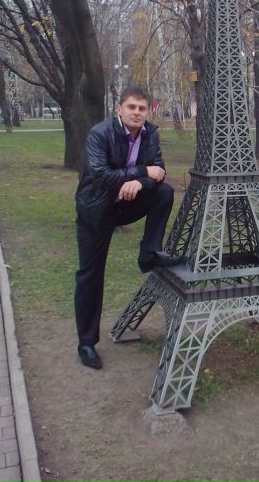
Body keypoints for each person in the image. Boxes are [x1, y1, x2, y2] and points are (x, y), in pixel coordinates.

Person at [74, 85, 182, 369]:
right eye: (131, 107)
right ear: (119, 109)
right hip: (96, 211)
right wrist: (141, 172)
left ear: (147, 112)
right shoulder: (100, 134)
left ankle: (149, 252)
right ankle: (86, 343)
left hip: (126, 204)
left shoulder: (150, 134)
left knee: (164, 192)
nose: (136, 112)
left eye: (142, 108)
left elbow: (159, 172)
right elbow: (100, 175)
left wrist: (139, 182)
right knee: (90, 275)